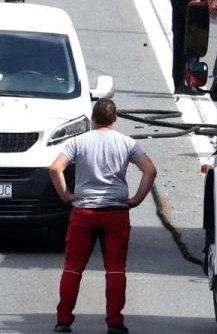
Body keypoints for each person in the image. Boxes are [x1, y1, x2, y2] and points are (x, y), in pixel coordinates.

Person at [49, 98, 157, 334]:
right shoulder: (127, 142)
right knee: (115, 268)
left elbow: (55, 168)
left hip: (84, 212)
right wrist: (136, 199)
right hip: (115, 213)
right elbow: (150, 170)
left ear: (92, 118)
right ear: (115, 118)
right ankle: (115, 322)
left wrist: (66, 195)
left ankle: (63, 321)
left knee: (73, 267)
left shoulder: (78, 141)